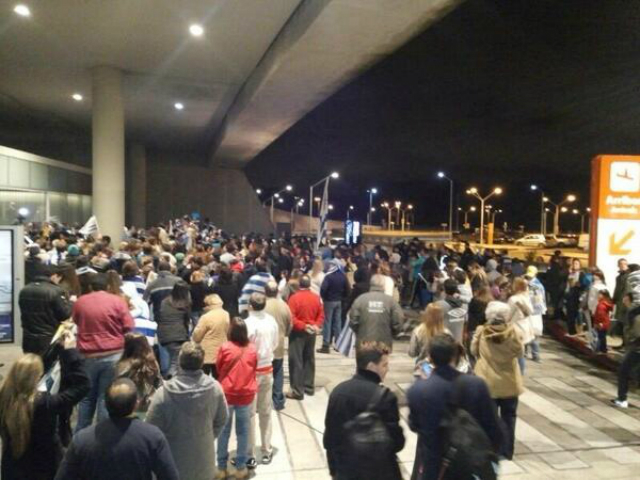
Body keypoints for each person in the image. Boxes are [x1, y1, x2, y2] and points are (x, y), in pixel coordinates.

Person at [407, 334, 502, 480]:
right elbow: (493, 429)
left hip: (434, 467)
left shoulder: (418, 389)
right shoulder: (476, 385)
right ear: (455, 356)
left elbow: (414, 425)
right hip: (469, 463)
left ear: (430, 358)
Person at [0, 331, 89, 480]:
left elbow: (31, 369)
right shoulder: (46, 403)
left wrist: (55, 349)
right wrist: (70, 352)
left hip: (12, 469)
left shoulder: (4, 399)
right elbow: (83, 385)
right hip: (45, 468)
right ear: (37, 377)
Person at [55, 378, 179, 480]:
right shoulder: (153, 437)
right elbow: (170, 476)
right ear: (136, 404)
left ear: (105, 404)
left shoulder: (81, 439)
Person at [146, 342, 229, 480]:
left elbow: (150, 431)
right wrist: (207, 436)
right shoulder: (215, 388)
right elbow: (222, 419)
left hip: (173, 463)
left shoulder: (162, 395)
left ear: (179, 362)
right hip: (205, 461)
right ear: (202, 362)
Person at [323, 342, 405, 480]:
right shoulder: (385, 397)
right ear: (371, 366)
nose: (387, 369)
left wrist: (334, 471)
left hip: (346, 471)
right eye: (384, 365)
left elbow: (330, 439)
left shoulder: (338, 392)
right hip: (379, 472)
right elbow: (397, 443)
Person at [73, 274, 135, 432]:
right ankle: (104, 434)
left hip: (87, 355)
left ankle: (81, 435)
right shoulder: (117, 301)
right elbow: (128, 325)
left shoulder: (81, 301)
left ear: (90, 287)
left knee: (86, 397)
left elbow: (75, 321)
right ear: (107, 287)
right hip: (113, 354)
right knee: (105, 396)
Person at [471, 301, 524, 460]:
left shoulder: (481, 331)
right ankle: (507, 451)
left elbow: (473, 350)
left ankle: (491, 449)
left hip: (487, 382)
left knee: (488, 418)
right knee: (509, 418)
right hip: (509, 382)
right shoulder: (514, 332)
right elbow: (520, 353)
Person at [216, 318, 258, 479]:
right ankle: (241, 468)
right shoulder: (252, 349)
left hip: (227, 393)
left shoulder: (225, 347)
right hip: (246, 394)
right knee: (243, 432)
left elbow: (219, 368)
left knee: (223, 431)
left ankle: (221, 468)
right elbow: (254, 367)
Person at [244, 293, 279, 467]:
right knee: (265, 411)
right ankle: (266, 450)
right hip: (267, 369)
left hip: (251, 371)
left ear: (250, 305)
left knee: (250, 413)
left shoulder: (247, 323)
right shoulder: (271, 321)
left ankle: (250, 454)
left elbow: (244, 348)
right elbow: (275, 343)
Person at [18, 264, 72, 356]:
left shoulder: (24, 290)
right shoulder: (55, 291)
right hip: (48, 336)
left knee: (31, 364)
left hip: (28, 335)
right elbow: (65, 314)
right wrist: (71, 303)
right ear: (54, 275)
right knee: (47, 365)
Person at [287, 275, 324, 400]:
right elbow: (321, 314)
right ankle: (309, 387)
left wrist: (303, 326)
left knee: (296, 360)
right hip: (311, 332)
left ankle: (297, 391)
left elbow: (292, 317)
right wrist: (315, 325)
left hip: (298, 332)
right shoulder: (316, 297)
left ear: (299, 285)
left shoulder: (294, 298)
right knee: (309, 358)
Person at [349, 274, 404, 350]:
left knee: (364, 360)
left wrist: (358, 332)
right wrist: (394, 333)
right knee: (381, 360)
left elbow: (353, 319)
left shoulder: (361, 300)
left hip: (364, 342)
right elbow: (398, 319)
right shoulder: (391, 302)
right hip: (384, 343)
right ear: (383, 285)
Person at [114, 333, 162, 418]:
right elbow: (159, 384)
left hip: (126, 405)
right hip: (149, 405)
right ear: (146, 346)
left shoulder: (120, 365)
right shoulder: (152, 363)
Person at [264, 281, 292, 410]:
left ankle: (263, 401)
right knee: (278, 371)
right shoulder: (284, 306)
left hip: (264, 346)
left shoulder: (262, 305)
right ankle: (278, 400)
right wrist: (284, 334)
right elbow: (290, 325)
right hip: (279, 343)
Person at [156, 281, 192, 378]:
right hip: (179, 335)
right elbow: (187, 321)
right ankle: (170, 379)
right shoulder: (185, 304)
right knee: (175, 362)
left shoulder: (164, 302)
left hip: (164, 335)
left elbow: (160, 316)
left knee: (171, 360)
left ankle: (169, 377)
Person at [612, 292, 640, 408]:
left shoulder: (635, 314)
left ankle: (622, 399)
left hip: (637, 348)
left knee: (623, 370)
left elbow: (636, 333)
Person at [191, 294, 230, 378]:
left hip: (207, 353)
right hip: (221, 352)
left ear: (208, 304)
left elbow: (197, 336)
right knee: (219, 378)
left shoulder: (205, 317)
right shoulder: (226, 314)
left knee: (203, 380)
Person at [318, 259, 351, 354]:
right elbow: (347, 290)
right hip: (339, 301)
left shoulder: (328, 276)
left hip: (329, 301)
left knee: (327, 322)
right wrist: (342, 298)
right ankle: (338, 344)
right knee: (338, 322)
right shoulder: (343, 276)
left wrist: (324, 298)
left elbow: (323, 289)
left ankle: (326, 344)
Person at [408, 304, 445, 377]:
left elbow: (412, 353)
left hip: (423, 368)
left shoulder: (418, 331)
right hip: (442, 369)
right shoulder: (447, 333)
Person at [508, 277, 535, 373]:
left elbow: (508, 314)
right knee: (521, 354)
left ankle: (517, 374)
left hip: (515, 329)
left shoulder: (514, 299)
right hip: (525, 328)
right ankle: (521, 374)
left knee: (515, 355)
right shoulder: (526, 298)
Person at [434, 279, 467, 345]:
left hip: (443, 344)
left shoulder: (439, 305)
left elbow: (433, 324)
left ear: (444, 289)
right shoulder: (464, 306)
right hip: (458, 343)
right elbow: (465, 324)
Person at [525, 266, 545, 362]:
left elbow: (538, 302)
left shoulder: (536, 286)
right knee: (527, 333)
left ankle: (535, 354)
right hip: (531, 311)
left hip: (534, 313)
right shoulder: (528, 283)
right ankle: (528, 353)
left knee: (533, 334)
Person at [612, 259, 629, 344]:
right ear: (618, 265)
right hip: (620, 303)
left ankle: (626, 344)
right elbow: (617, 289)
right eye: (621, 264)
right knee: (621, 323)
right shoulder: (618, 277)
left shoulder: (629, 276)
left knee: (626, 324)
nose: (623, 266)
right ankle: (623, 343)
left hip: (626, 303)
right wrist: (614, 300)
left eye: (624, 264)